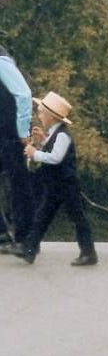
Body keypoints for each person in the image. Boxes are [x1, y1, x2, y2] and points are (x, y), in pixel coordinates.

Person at [12, 92, 97, 266]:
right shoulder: (55, 134)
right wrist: (43, 141)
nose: (39, 115)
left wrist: (35, 154)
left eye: (41, 112)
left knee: (77, 217)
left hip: (66, 185)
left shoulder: (63, 135)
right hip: (55, 185)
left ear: (51, 116)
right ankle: (29, 251)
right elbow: (53, 152)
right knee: (42, 216)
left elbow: (56, 158)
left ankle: (89, 253)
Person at [0, 45, 33, 252]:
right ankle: (2, 234)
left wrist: (22, 132)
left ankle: (26, 238)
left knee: (18, 182)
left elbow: (24, 94)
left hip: (13, 134)